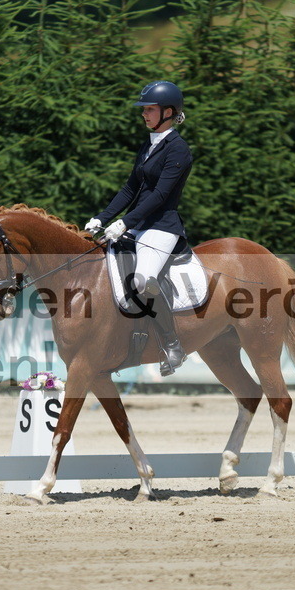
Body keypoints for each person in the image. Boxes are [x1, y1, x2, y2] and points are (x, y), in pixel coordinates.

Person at [85, 80, 193, 375]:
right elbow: (131, 187)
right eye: (144, 109)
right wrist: (102, 217)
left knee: (145, 280)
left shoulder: (179, 150)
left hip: (162, 227)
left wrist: (124, 222)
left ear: (168, 112)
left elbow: (160, 195)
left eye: (149, 109)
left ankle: (173, 345)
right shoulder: (149, 144)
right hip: (137, 225)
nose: (144, 114)